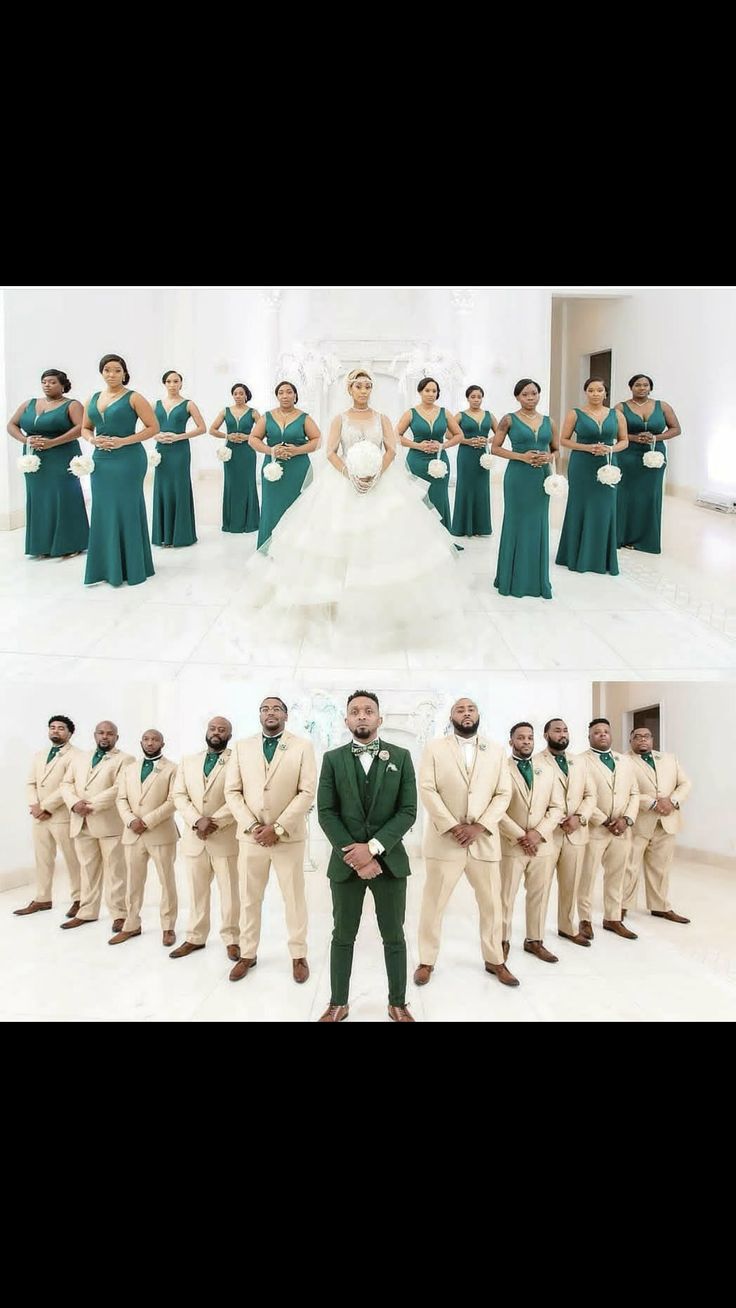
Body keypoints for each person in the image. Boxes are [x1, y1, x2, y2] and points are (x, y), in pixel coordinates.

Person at [246, 369, 468, 644]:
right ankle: (334, 601)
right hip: (343, 483)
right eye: (358, 386)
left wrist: (377, 473)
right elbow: (329, 452)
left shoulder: (382, 418)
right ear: (349, 390)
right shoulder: (340, 419)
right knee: (334, 541)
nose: (363, 391)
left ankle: (384, 605)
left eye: (367, 386)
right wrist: (349, 474)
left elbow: (391, 449)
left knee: (385, 542)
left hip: (380, 481)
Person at [317, 691, 417, 1022]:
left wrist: (372, 849)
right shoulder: (332, 759)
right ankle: (338, 1003)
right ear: (346, 720)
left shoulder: (400, 757)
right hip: (346, 866)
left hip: (389, 863)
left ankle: (398, 1003)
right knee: (342, 936)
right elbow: (327, 813)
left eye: (369, 710)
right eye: (355, 711)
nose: (362, 715)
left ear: (379, 719)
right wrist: (356, 856)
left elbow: (408, 811)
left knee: (394, 936)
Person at [415, 697, 518, 988]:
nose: (466, 713)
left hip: (483, 841)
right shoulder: (435, 748)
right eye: (460, 710)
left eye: (471, 709)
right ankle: (426, 960)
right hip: (444, 840)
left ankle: (495, 958)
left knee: (492, 905)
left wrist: (480, 826)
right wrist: (451, 825)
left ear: (478, 714)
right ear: (452, 717)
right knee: (433, 904)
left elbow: (502, 794)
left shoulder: (496, 751)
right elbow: (427, 788)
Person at [224, 697, 317, 982]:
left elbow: (307, 792)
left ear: (286, 716)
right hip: (251, 839)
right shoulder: (241, 747)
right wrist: (253, 826)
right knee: (249, 898)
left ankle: (298, 954)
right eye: (265, 708)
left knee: (294, 898)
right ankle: (248, 953)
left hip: (287, 838)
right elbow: (232, 791)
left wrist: (277, 827)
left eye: (276, 708)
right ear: (259, 715)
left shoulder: (302, 746)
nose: (270, 712)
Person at [82, 354, 158, 586]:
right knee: (103, 509)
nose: (112, 374)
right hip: (101, 461)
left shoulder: (134, 398)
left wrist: (123, 441)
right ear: (101, 373)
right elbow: (85, 428)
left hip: (128, 459)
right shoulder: (93, 398)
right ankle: (106, 566)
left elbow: (153, 427)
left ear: (124, 373)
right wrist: (93, 441)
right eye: (107, 370)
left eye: (117, 370)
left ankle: (133, 565)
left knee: (126, 507)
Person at [170, 717, 240, 961]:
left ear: (230, 735)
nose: (216, 732)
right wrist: (196, 820)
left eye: (222, 730)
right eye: (213, 728)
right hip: (194, 839)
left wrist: (213, 823)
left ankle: (232, 939)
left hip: (225, 838)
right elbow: (179, 795)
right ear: (206, 731)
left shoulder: (238, 760)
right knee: (197, 891)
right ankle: (195, 937)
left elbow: (239, 797)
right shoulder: (188, 762)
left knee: (230, 893)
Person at [59, 721, 134, 932]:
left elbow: (120, 788)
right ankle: (87, 912)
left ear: (116, 738)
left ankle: (120, 914)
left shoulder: (125, 759)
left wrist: (89, 805)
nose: (105, 737)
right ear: (94, 735)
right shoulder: (79, 758)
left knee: (116, 872)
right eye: (101, 733)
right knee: (87, 870)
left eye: (110, 734)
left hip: (109, 824)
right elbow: (66, 784)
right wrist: (75, 804)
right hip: (80, 822)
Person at [499, 722, 564, 962]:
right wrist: (520, 836)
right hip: (511, 845)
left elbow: (557, 807)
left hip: (542, 845)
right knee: (505, 895)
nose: (526, 741)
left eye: (529, 738)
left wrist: (538, 833)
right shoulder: (501, 769)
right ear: (511, 742)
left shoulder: (547, 769)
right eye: (520, 738)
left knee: (540, 893)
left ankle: (534, 941)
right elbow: (497, 808)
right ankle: (502, 940)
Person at [7, 368, 89, 559]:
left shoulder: (71, 404)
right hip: (34, 459)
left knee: (64, 496)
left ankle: (71, 543)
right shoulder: (29, 403)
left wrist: (53, 442)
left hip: (62, 456)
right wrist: (25, 440)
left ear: (62, 385)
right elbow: (11, 425)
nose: (47, 385)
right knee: (38, 498)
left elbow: (81, 428)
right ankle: (41, 545)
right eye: (44, 381)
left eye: (52, 382)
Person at [110, 729, 179, 946]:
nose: (150, 743)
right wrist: (131, 820)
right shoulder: (129, 769)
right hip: (132, 834)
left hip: (160, 833)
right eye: (146, 740)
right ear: (141, 742)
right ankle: (132, 924)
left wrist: (146, 821)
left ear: (162, 743)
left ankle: (168, 926)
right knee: (133, 881)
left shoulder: (172, 769)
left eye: (155, 739)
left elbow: (173, 801)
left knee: (166, 881)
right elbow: (120, 798)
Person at [555, 378, 629, 576]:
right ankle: (574, 554)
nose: (595, 393)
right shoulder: (575, 414)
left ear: (606, 393)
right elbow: (563, 440)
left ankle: (600, 557)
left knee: (605, 508)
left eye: (599, 390)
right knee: (579, 506)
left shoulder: (617, 415)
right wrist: (587, 447)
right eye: (591, 390)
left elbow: (625, 441)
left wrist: (610, 448)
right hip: (582, 465)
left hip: (608, 464)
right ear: (585, 392)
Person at [492, 379, 557, 598]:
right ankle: (510, 579)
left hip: (541, 477)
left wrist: (549, 456)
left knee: (538, 523)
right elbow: (495, 448)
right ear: (518, 397)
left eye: (534, 393)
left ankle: (536, 580)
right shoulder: (508, 420)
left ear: (539, 395)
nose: (530, 398)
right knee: (516, 522)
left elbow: (556, 449)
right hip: (518, 477)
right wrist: (521, 456)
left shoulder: (550, 421)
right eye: (525, 394)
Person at [14, 715, 83, 918]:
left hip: (61, 816)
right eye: (52, 727)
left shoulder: (77, 756)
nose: (55, 731)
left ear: (70, 733)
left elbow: (68, 786)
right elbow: (30, 783)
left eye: (61, 728)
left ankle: (80, 899)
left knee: (72, 859)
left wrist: (46, 806)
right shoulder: (39, 754)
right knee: (43, 859)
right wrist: (34, 805)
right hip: (39, 817)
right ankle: (42, 898)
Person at [621, 726, 692, 923]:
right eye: (637, 737)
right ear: (631, 741)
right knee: (629, 866)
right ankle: (621, 906)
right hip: (638, 824)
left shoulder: (669, 759)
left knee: (661, 868)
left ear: (652, 739)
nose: (642, 740)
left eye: (646, 736)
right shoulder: (623, 761)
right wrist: (652, 803)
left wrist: (673, 801)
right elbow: (624, 790)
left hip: (667, 822)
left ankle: (659, 907)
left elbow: (685, 784)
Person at [536, 718, 596, 947]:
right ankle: (536, 935)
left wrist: (579, 818)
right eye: (556, 730)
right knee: (541, 886)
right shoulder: (536, 761)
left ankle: (567, 927)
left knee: (571, 884)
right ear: (546, 735)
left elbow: (591, 795)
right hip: (548, 834)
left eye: (565, 730)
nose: (562, 734)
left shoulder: (579, 762)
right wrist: (552, 821)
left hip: (576, 832)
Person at [577, 719, 639, 940]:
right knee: (587, 875)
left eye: (605, 732)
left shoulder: (625, 761)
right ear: (589, 736)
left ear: (611, 735)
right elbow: (580, 796)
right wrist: (603, 820)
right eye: (597, 732)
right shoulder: (580, 762)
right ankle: (584, 919)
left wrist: (627, 819)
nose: (602, 735)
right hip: (595, 829)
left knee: (617, 875)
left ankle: (613, 918)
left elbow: (634, 794)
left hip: (622, 830)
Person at [249, 381, 321, 547]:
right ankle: (270, 544)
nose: (285, 395)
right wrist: (271, 451)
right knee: (271, 505)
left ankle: (296, 545)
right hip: (272, 467)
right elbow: (253, 439)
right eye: (281, 392)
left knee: (298, 506)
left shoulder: (304, 417)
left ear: (295, 396)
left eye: (289, 392)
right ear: (277, 396)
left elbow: (318, 440)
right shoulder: (267, 417)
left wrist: (297, 450)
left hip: (298, 469)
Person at [615, 374, 681, 553]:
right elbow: (615, 431)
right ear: (631, 387)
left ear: (650, 388)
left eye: (645, 385)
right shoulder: (621, 407)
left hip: (655, 456)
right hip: (628, 455)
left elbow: (676, 429)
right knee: (625, 495)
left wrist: (655, 437)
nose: (642, 388)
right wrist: (634, 437)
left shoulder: (663, 406)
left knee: (650, 495)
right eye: (638, 385)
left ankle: (646, 540)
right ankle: (622, 537)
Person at [397, 376, 462, 530]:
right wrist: (417, 446)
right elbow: (396, 436)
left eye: (434, 391)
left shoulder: (445, 413)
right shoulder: (411, 413)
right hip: (416, 461)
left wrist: (443, 445)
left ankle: (444, 538)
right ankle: (420, 538)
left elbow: (459, 435)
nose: (431, 394)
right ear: (420, 391)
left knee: (439, 497)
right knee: (419, 498)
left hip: (440, 461)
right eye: (427, 390)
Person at [152, 370, 204, 548]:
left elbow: (202, 428)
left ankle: (181, 535)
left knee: (179, 487)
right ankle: (164, 535)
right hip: (161, 451)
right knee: (162, 487)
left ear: (181, 383)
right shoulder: (156, 404)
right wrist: (157, 436)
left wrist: (178, 437)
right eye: (168, 381)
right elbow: (148, 428)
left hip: (180, 451)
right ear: (164, 384)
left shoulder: (188, 404)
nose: (172, 385)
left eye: (176, 381)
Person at [209, 383, 260, 534]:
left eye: (241, 393)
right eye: (235, 393)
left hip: (247, 453)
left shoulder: (253, 412)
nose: (238, 396)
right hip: (230, 453)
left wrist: (248, 436)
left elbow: (265, 431)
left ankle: (250, 522)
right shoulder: (225, 411)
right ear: (233, 395)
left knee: (248, 484)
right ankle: (232, 523)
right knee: (231, 484)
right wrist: (227, 435)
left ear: (246, 395)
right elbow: (212, 430)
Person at [450, 385, 496, 537]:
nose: (476, 400)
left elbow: (501, 434)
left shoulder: (489, 416)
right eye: (473, 397)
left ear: (482, 398)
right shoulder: (461, 415)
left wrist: (487, 440)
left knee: (482, 489)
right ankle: (462, 526)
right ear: (468, 398)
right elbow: (448, 435)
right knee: (465, 488)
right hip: (466, 456)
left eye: (479, 397)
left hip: (483, 458)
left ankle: (481, 527)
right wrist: (467, 441)